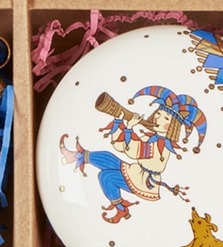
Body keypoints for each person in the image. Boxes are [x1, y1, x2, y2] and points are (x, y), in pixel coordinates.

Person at [59, 86, 206, 223]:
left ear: (173, 126)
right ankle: (76, 156)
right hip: (136, 171)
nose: (158, 118)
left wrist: (129, 128)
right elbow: (121, 146)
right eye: (159, 113)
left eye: (166, 118)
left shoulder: (162, 144)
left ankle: (121, 209)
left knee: (106, 177)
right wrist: (119, 119)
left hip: (144, 182)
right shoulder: (151, 137)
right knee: (107, 156)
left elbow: (135, 151)